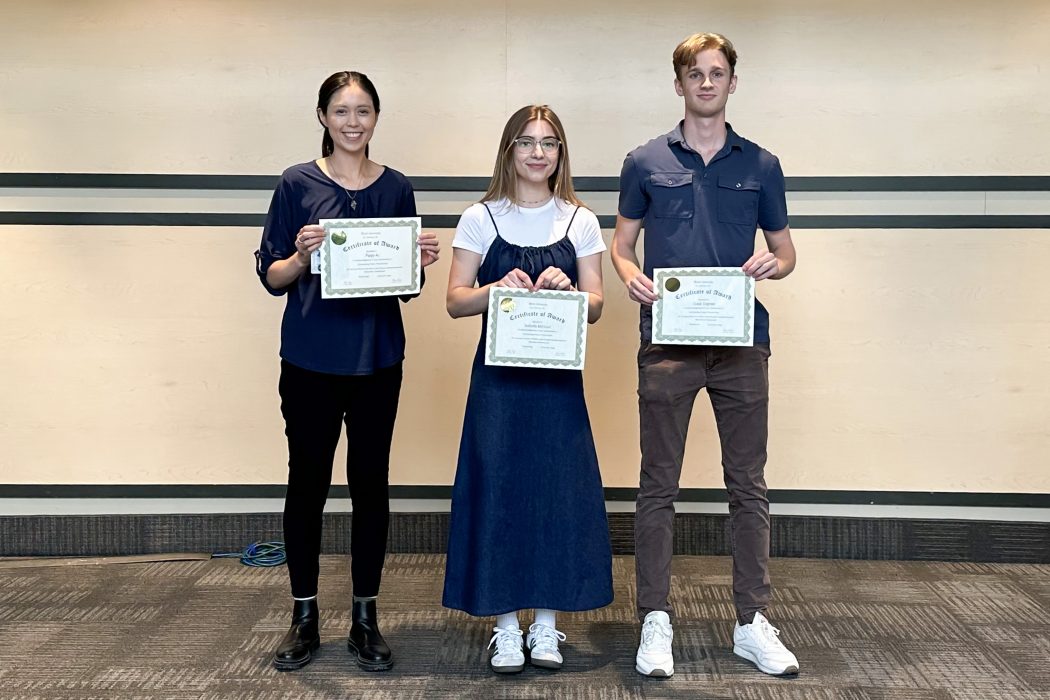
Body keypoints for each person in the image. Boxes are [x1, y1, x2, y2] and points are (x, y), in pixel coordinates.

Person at [610, 33, 800, 678]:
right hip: (667, 344)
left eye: (718, 73)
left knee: (748, 486)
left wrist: (776, 263)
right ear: (680, 83)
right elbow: (621, 246)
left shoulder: (762, 165)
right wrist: (629, 273)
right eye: (696, 74)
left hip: (741, 345)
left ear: (732, 82)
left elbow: (787, 250)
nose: (708, 83)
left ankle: (751, 621)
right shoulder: (644, 161)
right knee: (657, 485)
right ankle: (655, 620)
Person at [254, 70, 440, 672]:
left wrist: (418, 263)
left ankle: (366, 617)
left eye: (363, 112)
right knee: (306, 483)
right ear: (323, 117)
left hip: (377, 359)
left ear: (376, 119)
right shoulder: (296, 183)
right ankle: (303, 617)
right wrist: (302, 256)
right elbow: (272, 276)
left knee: (370, 485)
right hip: (309, 359)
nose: (352, 122)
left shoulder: (397, 188)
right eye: (341, 111)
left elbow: (404, 289)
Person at [442, 105, 613, 674]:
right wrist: (495, 288)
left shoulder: (579, 221)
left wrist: (569, 288)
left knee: (554, 493)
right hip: (498, 385)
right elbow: (454, 300)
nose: (538, 153)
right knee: (500, 491)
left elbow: (595, 306)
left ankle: (545, 626)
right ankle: (505, 627)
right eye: (526, 142)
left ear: (561, 154)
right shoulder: (480, 218)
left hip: (557, 386)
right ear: (508, 150)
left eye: (550, 144)